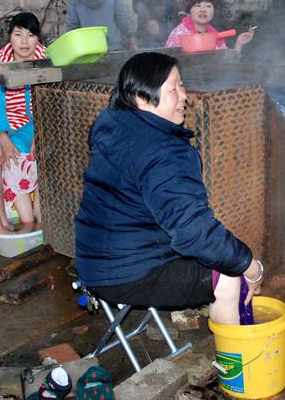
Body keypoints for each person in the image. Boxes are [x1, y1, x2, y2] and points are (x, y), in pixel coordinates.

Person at [75, 52, 264, 325]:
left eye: (182, 85)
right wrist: (251, 266)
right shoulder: (165, 152)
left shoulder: (111, 121)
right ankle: (237, 363)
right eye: (172, 88)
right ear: (141, 98)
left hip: (92, 258)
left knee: (219, 253)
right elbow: (193, 234)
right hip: (127, 272)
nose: (184, 95)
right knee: (229, 278)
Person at [0, 13, 46, 233]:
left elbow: (50, 101)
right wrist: (3, 137)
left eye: (30, 35)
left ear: (38, 38)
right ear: (9, 37)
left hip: (40, 125)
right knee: (12, 154)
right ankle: (27, 219)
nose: (24, 41)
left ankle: (42, 216)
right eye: (18, 35)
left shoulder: (48, 61)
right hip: (10, 127)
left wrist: (42, 133)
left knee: (49, 153)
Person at [165, 0, 254, 53]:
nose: (203, 10)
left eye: (208, 6)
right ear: (189, 11)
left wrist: (239, 44)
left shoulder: (216, 35)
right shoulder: (179, 34)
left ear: (213, 10)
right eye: (197, 6)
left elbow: (227, 66)